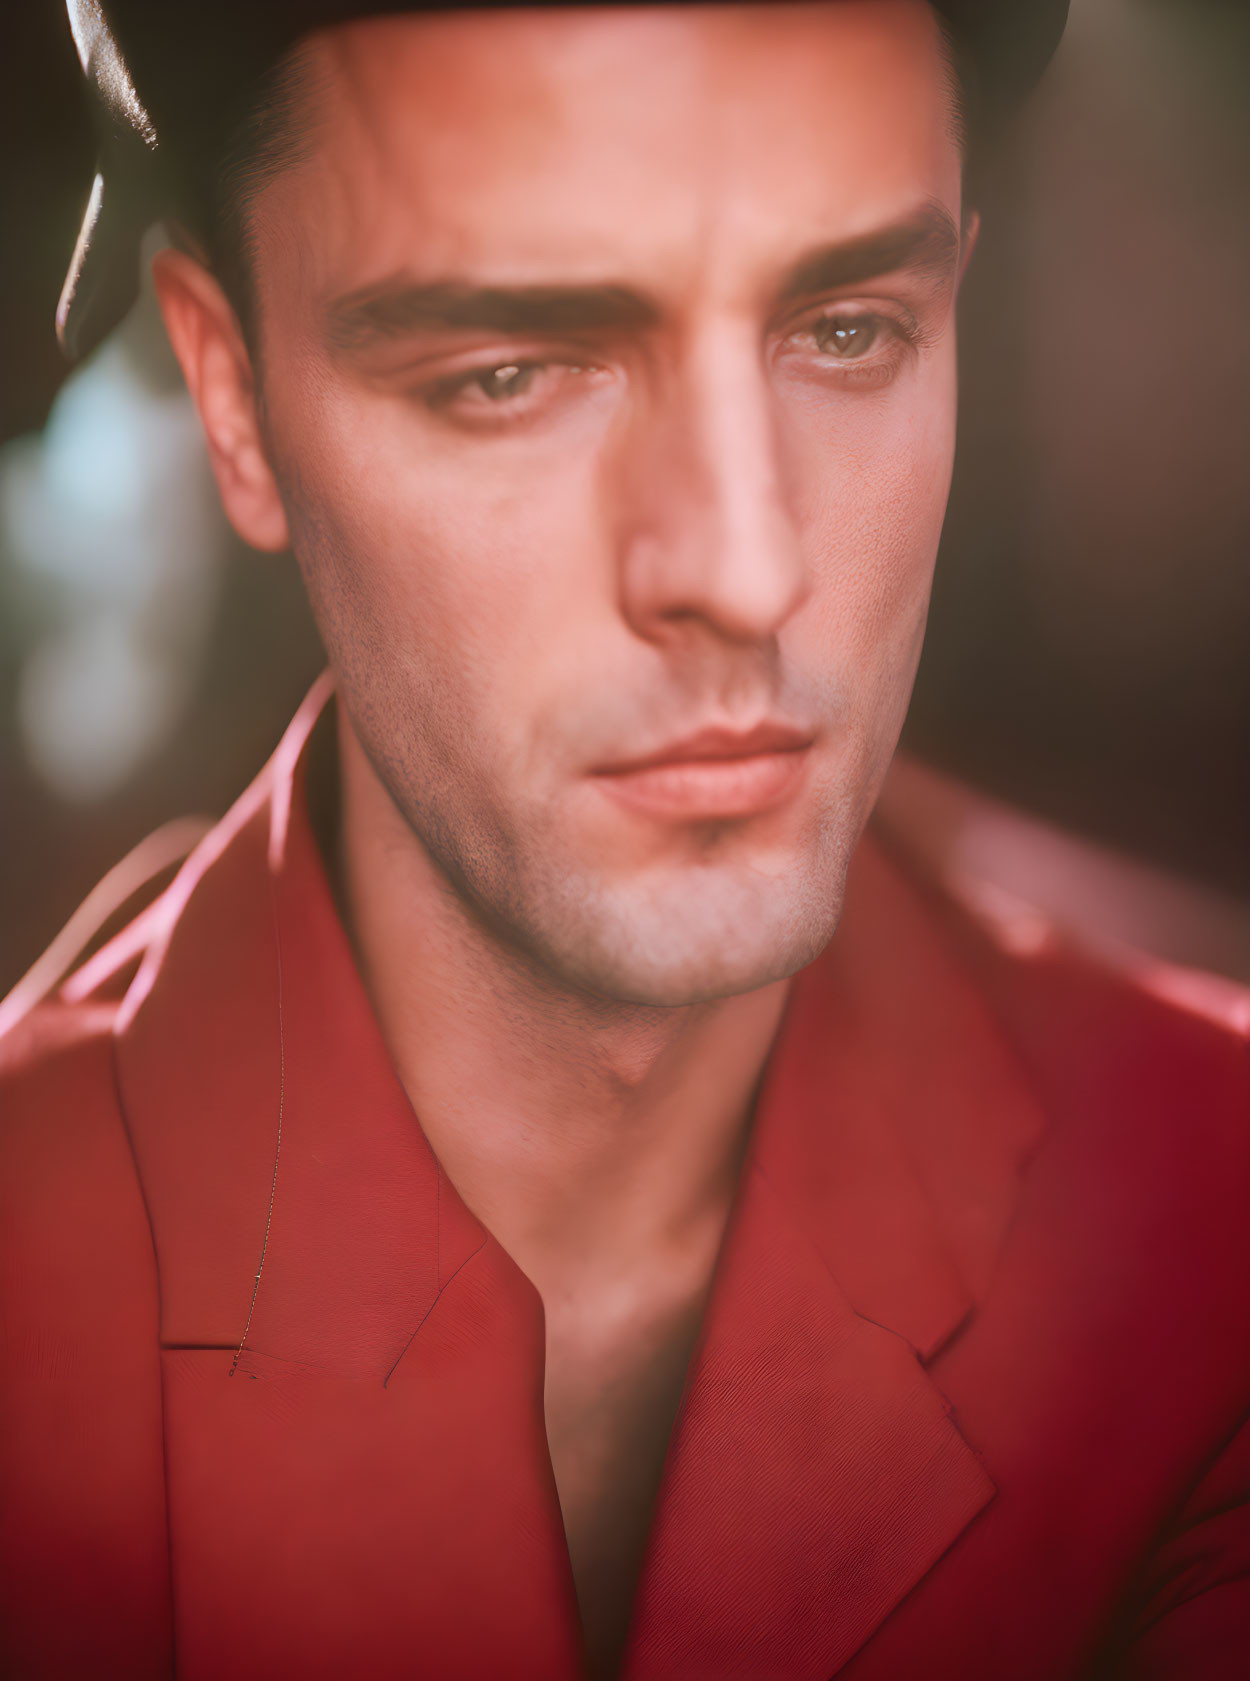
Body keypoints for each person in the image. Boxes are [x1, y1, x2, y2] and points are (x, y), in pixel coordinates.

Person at [2, 3, 1247, 1678]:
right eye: (509, 373)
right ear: (234, 404)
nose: (740, 565)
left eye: (850, 330)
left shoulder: (1208, 1222)